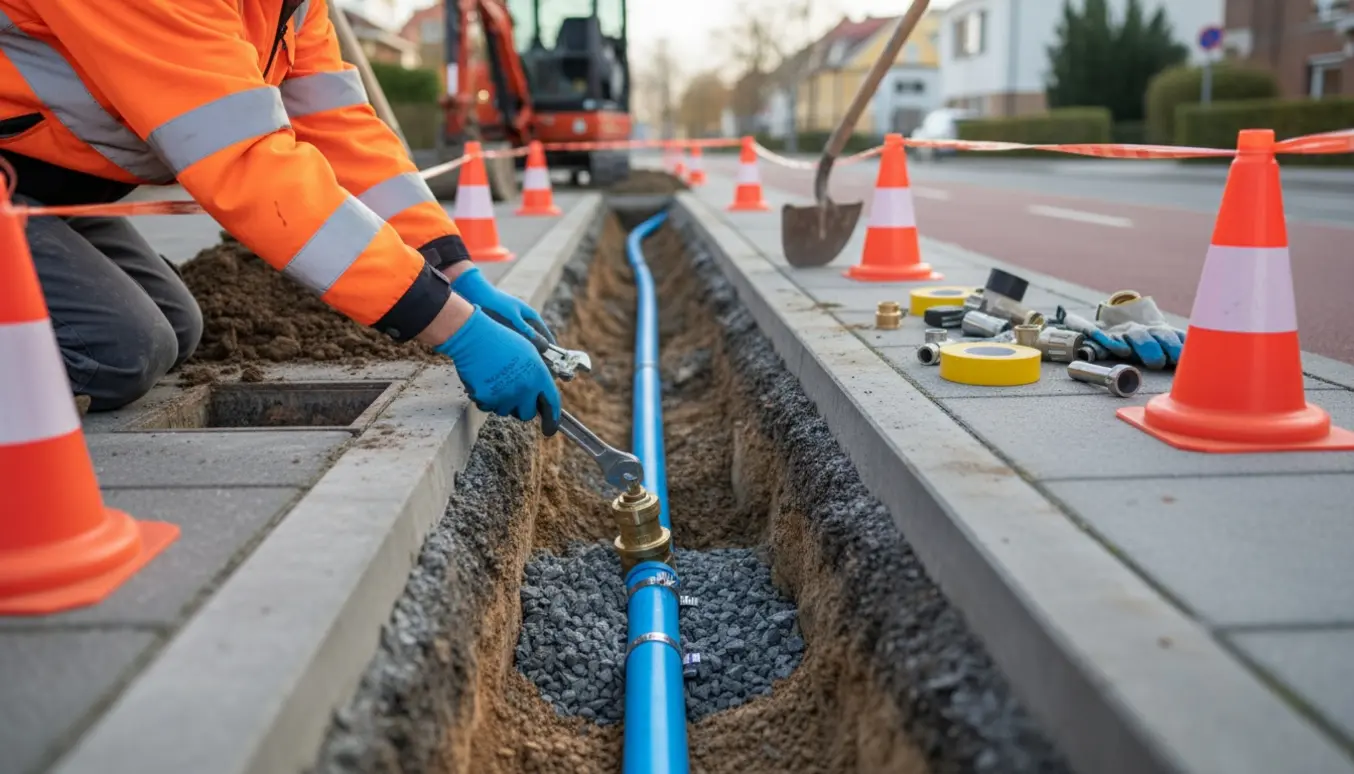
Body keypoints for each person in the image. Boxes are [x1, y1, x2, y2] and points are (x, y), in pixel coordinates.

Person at [0, 0, 560, 434]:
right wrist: (454, 328)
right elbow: (250, 166)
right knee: (117, 351)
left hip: (40, 191)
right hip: (19, 179)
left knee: (175, 326)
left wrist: (457, 271)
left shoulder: (289, 6)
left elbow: (337, 125)